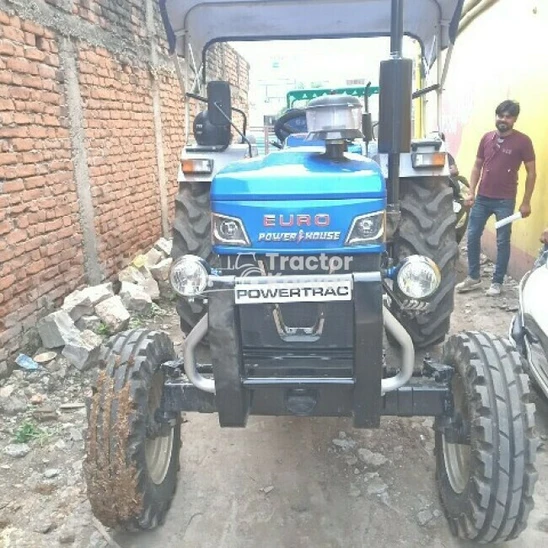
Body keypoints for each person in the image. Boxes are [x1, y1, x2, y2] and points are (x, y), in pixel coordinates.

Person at [456, 100, 536, 296]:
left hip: (505, 201)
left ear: (514, 119)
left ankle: (497, 282)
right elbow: (477, 166)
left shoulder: (523, 141)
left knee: (502, 241)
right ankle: (474, 277)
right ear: (496, 117)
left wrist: (526, 201)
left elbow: (532, 173)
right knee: (473, 236)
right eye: (500, 116)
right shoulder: (486, 138)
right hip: (482, 198)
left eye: (508, 117)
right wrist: (471, 191)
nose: (503, 120)